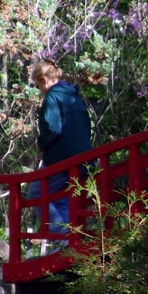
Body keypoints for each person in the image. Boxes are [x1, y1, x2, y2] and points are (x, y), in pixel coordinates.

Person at [26, 59, 92, 251]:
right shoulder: (75, 97)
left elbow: (52, 129)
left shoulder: (52, 98)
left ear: (44, 80)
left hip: (60, 158)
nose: (40, 90)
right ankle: (69, 240)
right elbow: (87, 126)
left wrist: (41, 144)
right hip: (81, 158)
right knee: (62, 198)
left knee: (36, 194)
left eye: (39, 86)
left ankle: (62, 236)